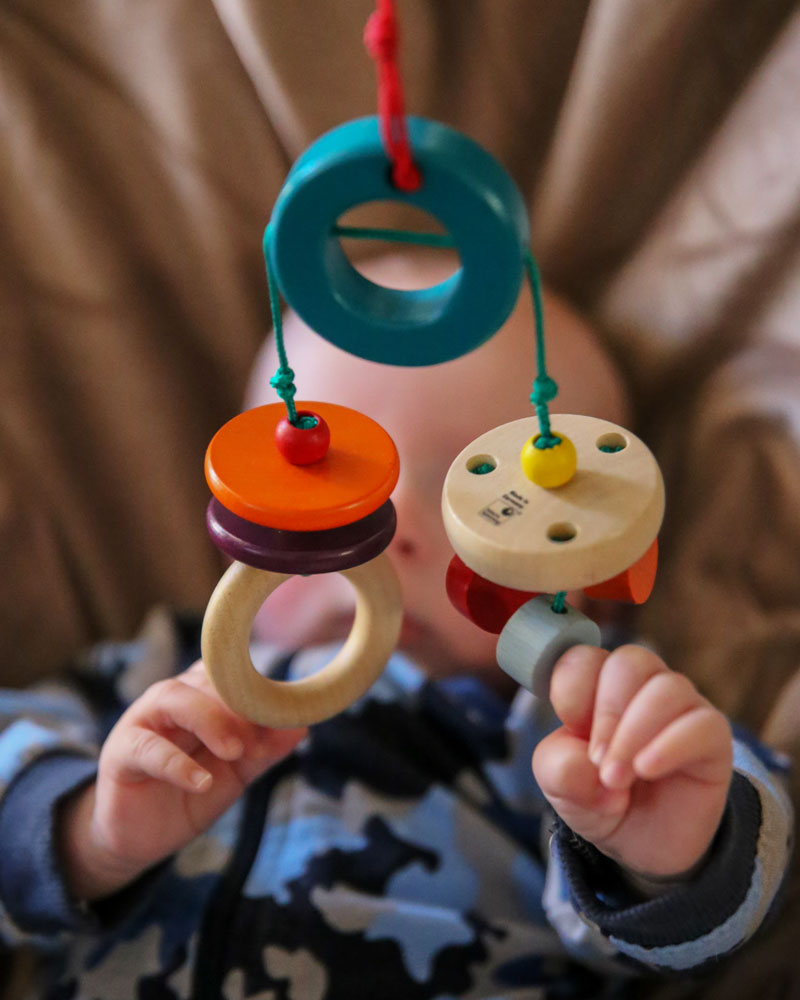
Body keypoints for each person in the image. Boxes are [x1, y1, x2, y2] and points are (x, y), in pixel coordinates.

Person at [0, 254, 791, 999]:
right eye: (322, 474)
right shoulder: (156, 676)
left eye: (483, 500)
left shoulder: (581, 725)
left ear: (595, 590)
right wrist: (88, 836)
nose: (391, 526)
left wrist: (675, 856)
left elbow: (758, 864)